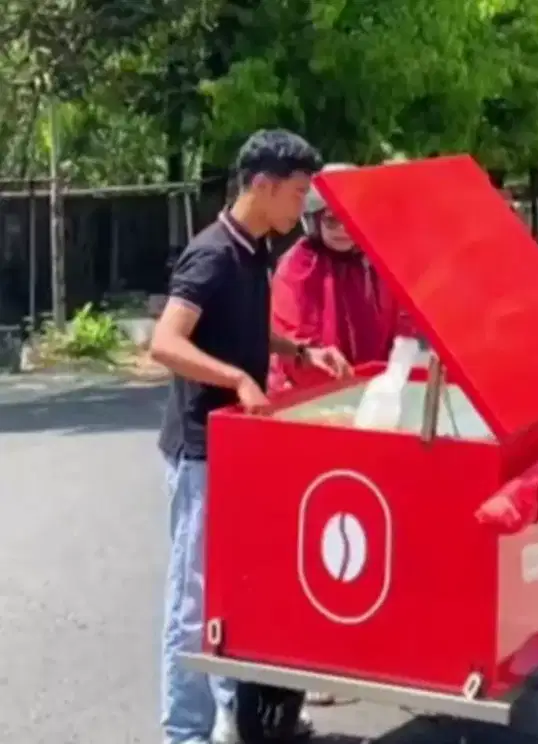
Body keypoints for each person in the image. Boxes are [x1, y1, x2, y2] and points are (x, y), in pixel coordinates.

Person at [150, 129, 351, 744]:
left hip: (239, 449)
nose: (303, 208)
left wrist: (299, 350)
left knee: (237, 592)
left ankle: (231, 717)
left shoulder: (254, 248)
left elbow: (238, 326)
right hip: (202, 448)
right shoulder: (212, 254)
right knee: (194, 601)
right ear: (261, 186)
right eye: (297, 193)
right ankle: (185, 732)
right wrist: (237, 378)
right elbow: (166, 342)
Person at [268, 163, 414, 396]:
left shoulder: (378, 260)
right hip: (308, 395)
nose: (343, 229)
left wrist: (392, 377)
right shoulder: (298, 266)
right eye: (332, 220)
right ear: (314, 220)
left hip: (372, 389)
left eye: (350, 218)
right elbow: (294, 342)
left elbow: (403, 325)